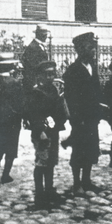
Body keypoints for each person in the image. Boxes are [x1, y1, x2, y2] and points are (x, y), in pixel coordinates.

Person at [62, 32, 104, 194]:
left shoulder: (92, 67)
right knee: (79, 151)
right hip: (80, 119)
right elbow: (70, 99)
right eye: (89, 47)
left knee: (91, 149)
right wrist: (76, 119)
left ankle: (87, 181)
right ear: (80, 50)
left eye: (93, 47)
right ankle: (77, 183)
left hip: (92, 117)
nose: (93, 50)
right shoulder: (73, 71)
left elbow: (97, 91)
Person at [24, 61, 68, 208]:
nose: (50, 77)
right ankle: (39, 195)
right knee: (41, 163)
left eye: (52, 74)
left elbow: (57, 111)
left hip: (53, 131)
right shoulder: (36, 92)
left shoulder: (53, 90)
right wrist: (40, 131)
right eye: (47, 74)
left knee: (51, 163)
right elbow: (33, 115)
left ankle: (49, 190)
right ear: (40, 76)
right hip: (41, 133)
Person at [0, 53, 24, 183]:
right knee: (11, 146)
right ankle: (5, 174)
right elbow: (20, 103)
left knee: (1, 143)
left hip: (0, 119)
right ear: (11, 66)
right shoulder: (15, 83)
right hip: (13, 119)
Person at [21, 24, 50, 92]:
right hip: (35, 84)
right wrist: (34, 84)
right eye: (44, 34)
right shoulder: (32, 47)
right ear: (39, 34)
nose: (46, 36)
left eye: (46, 33)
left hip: (41, 82)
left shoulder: (39, 46)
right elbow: (30, 67)